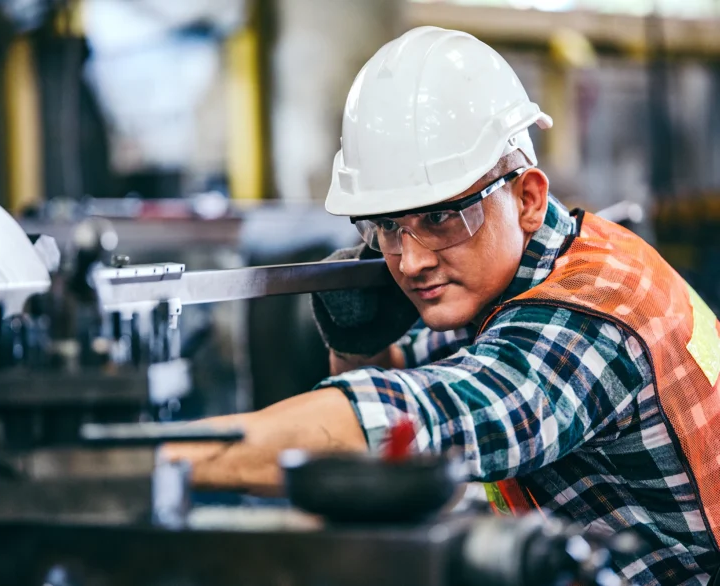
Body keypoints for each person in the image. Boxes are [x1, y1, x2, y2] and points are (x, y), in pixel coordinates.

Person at [163, 27, 720, 585]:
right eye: (388, 226)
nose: (410, 262)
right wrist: (359, 342)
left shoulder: (587, 320)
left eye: (440, 217)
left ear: (527, 197)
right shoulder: (527, 267)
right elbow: (397, 395)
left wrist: (150, 462)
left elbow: (402, 419)